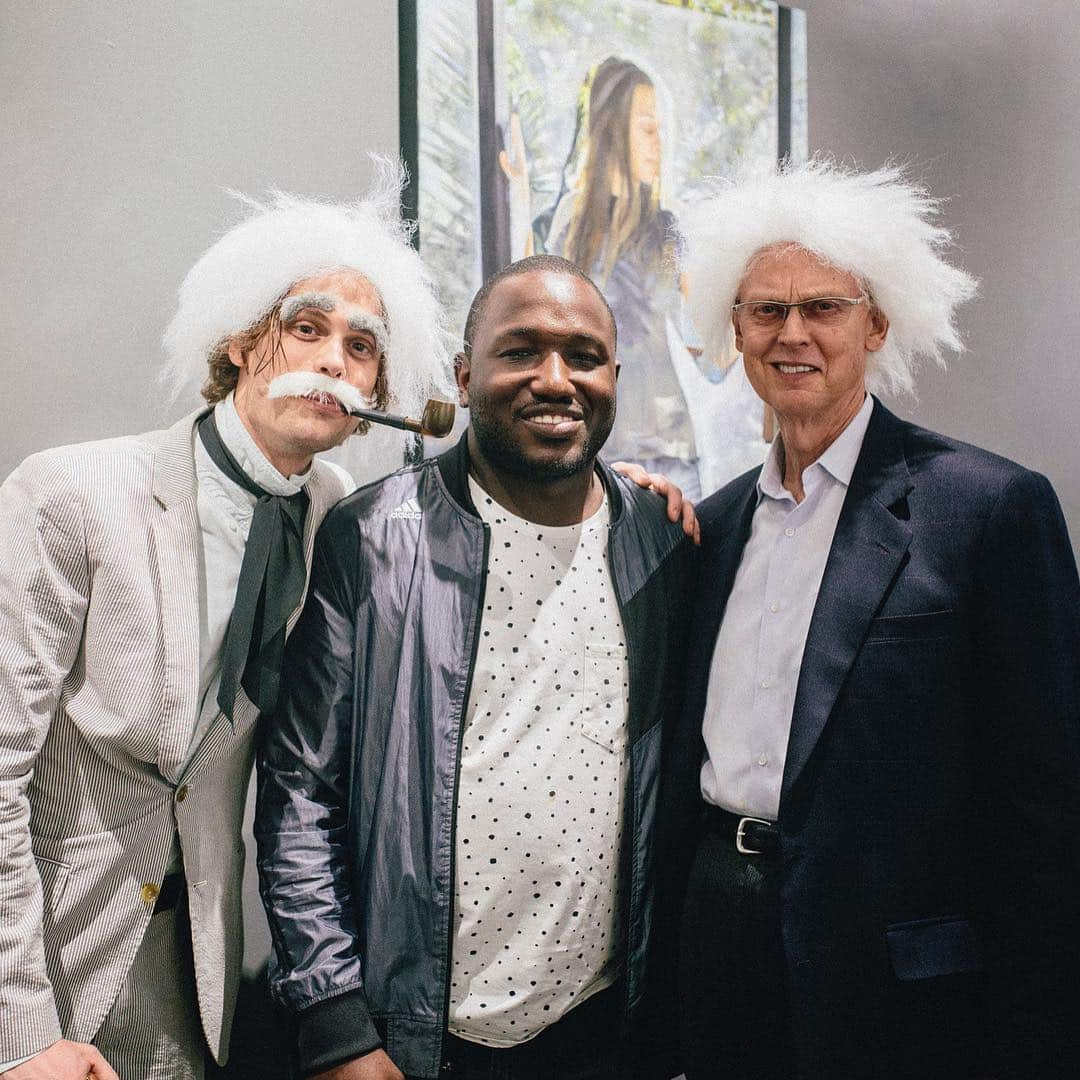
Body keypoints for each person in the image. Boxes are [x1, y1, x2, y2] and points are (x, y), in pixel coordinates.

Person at [0, 178, 451, 1079]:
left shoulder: (339, 520)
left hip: (199, 977)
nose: (333, 361)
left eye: (361, 349)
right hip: (46, 957)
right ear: (244, 344)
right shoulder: (71, 494)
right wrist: (19, 1029)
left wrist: (617, 488)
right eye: (309, 328)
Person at [668, 160, 1080, 1079]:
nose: (793, 333)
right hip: (724, 949)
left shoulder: (989, 509)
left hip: (904, 988)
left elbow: (1048, 803)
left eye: (823, 307)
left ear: (877, 323)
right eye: (766, 310)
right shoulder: (717, 523)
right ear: (734, 330)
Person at [256, 254, 698, 1080]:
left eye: (584, 356)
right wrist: (335, 1022)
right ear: (465, 376)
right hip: (415, 1035)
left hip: (602, 1025)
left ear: (613, 377)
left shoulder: (661, 544)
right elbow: (298, 791)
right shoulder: (375, 540)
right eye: (521, 351)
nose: (556, 379)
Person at [534, 57, 701, 498]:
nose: (658, 143)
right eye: (648, 128)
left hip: (669, 447)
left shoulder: (667, 231)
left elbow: (704, 349)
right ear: (612, 129)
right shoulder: (572, 226)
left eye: (661, 129)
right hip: (593, 450)